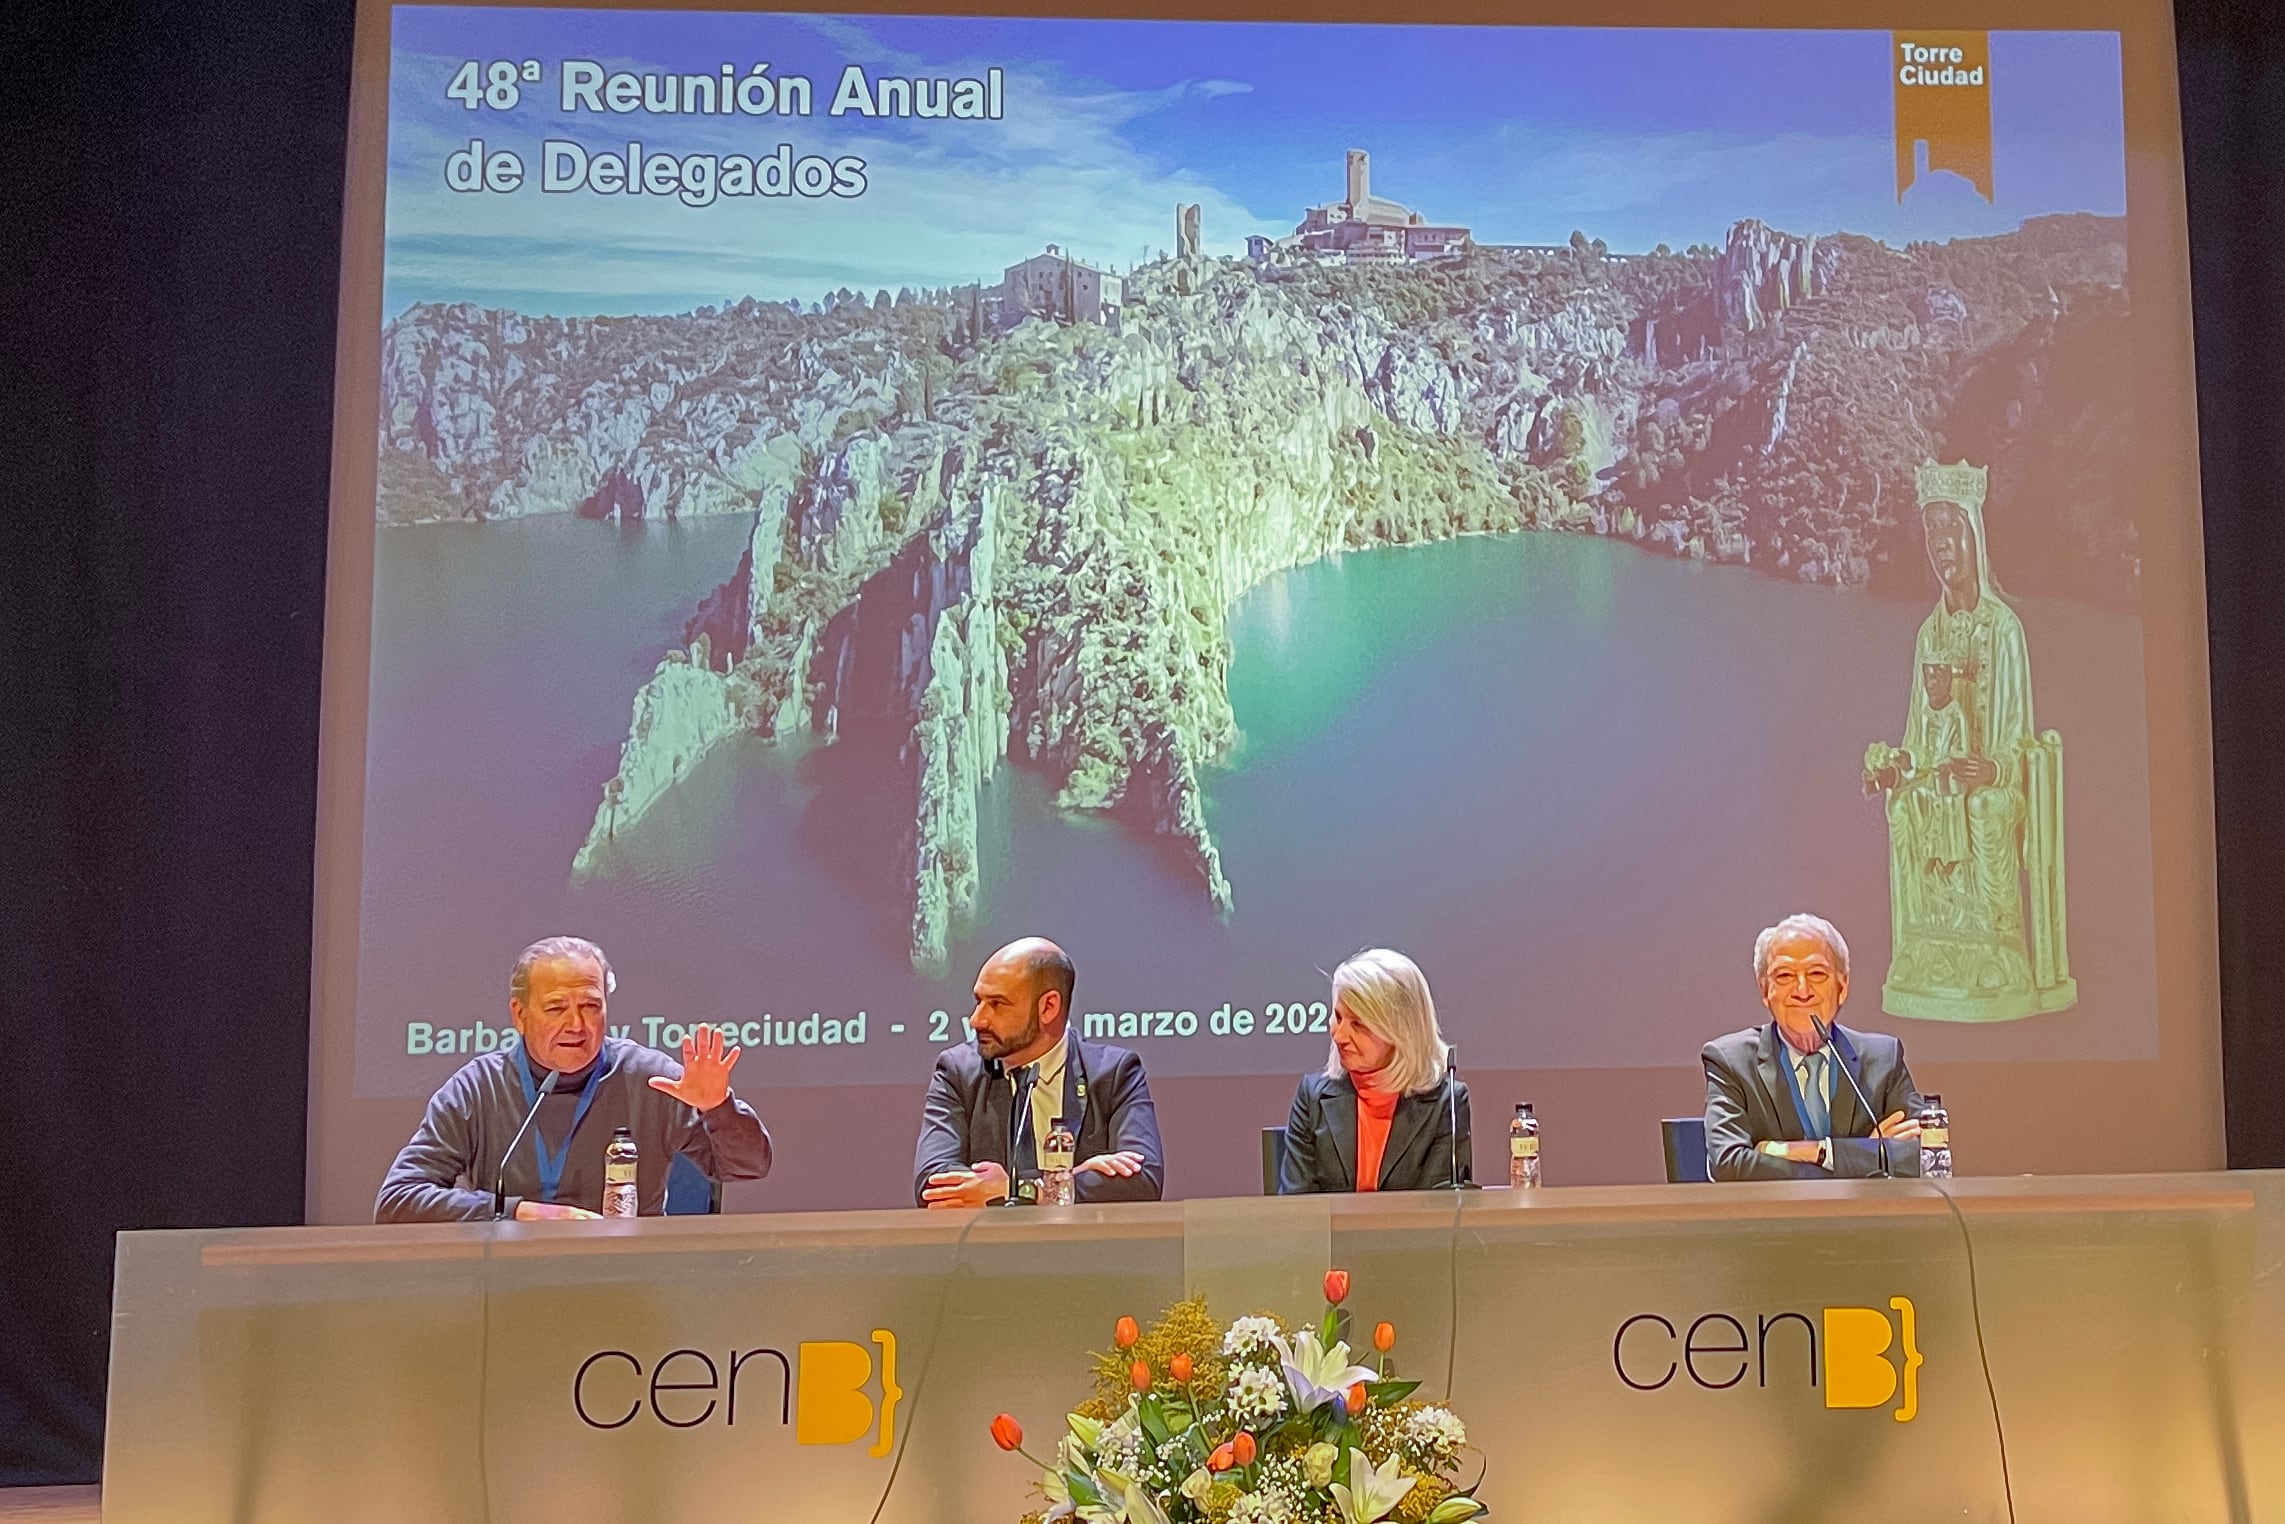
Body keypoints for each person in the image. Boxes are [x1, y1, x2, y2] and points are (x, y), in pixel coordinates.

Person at [1861, 460, 2074, 1021]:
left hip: (1994, 784)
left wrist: (1993, 771)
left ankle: (1996, 947)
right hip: (1940, 781)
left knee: (1981, 806)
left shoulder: (2003, 629)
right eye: (1931, 531)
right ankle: (1922, 947)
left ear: (1973, 535)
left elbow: (2016, 739)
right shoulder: (1928, 635)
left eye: (1949, 529)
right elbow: (1917, 736)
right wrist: (1895, 769)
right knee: (1905, 805)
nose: (1940, 545)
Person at [377, 936, 771, 1221]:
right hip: (508, 1289)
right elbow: (397, 1201)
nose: (576, 1025)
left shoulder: (650, 1079)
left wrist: (718, 1108)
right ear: (519, 1015)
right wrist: (517, 1212)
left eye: (590, 1006)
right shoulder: (478, 1089)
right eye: (556, 1008)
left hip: (628, 1287)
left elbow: (748, 1167)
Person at [913, 937, 1164, 1207]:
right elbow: (934, 1181)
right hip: (991, 1248)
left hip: (1086, 1247)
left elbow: (1144, 1179)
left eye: (997, 1004)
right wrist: (1068, 1180)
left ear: (1048, 1007)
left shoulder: (1114, 1073)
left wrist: (1019, 1189)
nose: (977, 1019)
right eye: (978, 1001)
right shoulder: (957, 1072)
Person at [1702, 914, 1923, 1182]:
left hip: (1868, 1220)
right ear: (1764, 990)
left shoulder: (1883, 1058)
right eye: (1784, 976)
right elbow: (1730, 1164)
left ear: (1842, 986)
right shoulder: (1730, 1061)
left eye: (1817, 973)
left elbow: (1921, 1156)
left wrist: (1815, 1151)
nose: (1802, 990)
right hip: (1773, 1222)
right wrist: (1865, 1156)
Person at [1279, 948, 1471, 1193]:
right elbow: (1297, 1209)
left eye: (1358, 1024)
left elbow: (1436, 1213)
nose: (1339, 1035)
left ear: (1400, 1032)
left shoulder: (1448, 1102)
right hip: (1330, 1234)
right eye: (1337, 1017)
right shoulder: (1313, 1097)